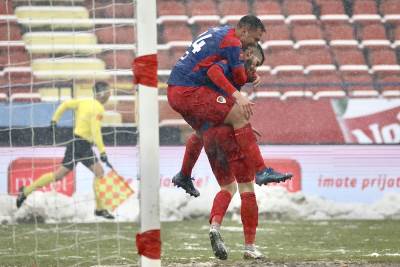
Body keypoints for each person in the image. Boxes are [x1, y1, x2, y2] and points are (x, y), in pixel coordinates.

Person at [167, 15, 291, 197]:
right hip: (188, 90)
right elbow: (220, 74)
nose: (254, 43)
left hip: (175, 89)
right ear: (244, 31)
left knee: (203, 131)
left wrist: (242, 126)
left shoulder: (222, 32)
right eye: (255, 39)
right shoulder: (233, 44)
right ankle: (262, 171)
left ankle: (184, 175)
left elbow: (223, 80)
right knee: (239, 115)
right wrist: (239, 94)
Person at [16, 81, 115, 220]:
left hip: (76, 143)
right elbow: (95, 130)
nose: (110, 94)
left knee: (59, 175)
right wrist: (102, 151)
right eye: (109, 91)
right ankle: (100, 209)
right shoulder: (98, 108)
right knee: (99, 173)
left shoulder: (83, 102)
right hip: (82, 145)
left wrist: (54, 120)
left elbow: (65, 104)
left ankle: (25, 191)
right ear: (102, 93)